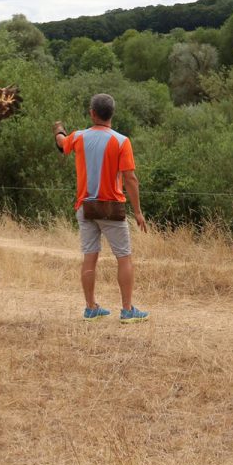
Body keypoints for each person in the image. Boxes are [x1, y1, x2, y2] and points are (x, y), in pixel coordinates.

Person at [53, 93, 149, 324]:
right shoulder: (121, 141)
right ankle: (127, 310)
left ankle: (90, 307)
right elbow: (130, 179)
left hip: (85, 206)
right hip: (111, 208)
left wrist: (58, 129)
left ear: (92, 113)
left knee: (89, 257)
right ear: (111, 114)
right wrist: (137, 211)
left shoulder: (78, 137)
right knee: (124, 257)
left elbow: (62, 144)